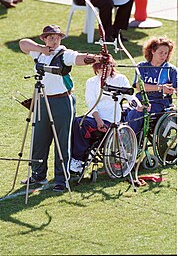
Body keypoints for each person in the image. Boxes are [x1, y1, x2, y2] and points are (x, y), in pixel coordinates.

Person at [19, 24, 104, 192]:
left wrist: (95, 58)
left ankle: (61, 179)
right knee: (39, 139)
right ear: (44, 38)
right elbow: (23, 43)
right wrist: (41, 49)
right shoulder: (40, 51)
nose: (55, 40)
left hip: (61, 101)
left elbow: (79, 58)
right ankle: (38, 175)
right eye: (51, 37)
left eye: (57, 37)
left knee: (61, 141)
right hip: (43, 100)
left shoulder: (64, 54)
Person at [70, 58, 146, 174]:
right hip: (94, 117)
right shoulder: (91, 82)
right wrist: (98, 120)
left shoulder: (120, 79)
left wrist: (139, 106)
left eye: (109, 66)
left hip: (111, 119)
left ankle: (80, 158)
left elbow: (130, 97)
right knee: (76, 122)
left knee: (83, 124)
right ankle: (78, 158)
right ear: (96, 68)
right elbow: (91, 103)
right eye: (101, 67)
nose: (106, 69)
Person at [126, 36, 177, 136]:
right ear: (153, 51)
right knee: (122, 111)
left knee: (135, 115)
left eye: (166, 53)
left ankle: (130, 144)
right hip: (140, 100)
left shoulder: (171, 69)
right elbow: (139, 86)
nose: (163, 56)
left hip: (159, 104)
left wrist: (172, 90)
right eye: (161, 52)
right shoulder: (142, 66)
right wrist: (161, 88)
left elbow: (176, 88)